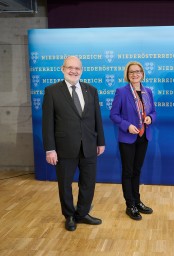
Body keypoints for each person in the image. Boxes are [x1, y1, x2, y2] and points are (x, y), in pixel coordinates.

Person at [42, 56, 105, 231]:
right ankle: (69, 215)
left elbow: (97, 118)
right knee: (65, 184)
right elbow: (47, 124)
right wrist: (50, 149)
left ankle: (83, 213)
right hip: (64, 148)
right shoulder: (52, 91)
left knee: (88, 182)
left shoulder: (90, 90)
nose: (74, 71)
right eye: (70, 67)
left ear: (82, 70)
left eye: (77, 68)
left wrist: (101, 141)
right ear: (62, 69)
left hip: (89, 146)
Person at [110, 61, 156, 221]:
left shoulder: (147, 92)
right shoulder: (121, 92)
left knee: (137, 171)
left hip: (144, 137)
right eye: (131, 72)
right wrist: (127, 126)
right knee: (128, 172)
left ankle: (137, 201)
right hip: (128, 138)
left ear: (142, 73)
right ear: (127, 75)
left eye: (137, 71)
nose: (135, 74)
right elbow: (114, 115)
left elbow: (154, 112)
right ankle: (130, 205)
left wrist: (150, 117)